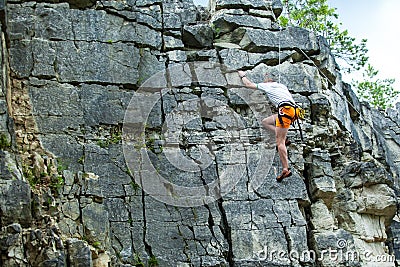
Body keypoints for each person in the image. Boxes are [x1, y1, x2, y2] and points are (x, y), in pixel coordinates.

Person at [237, 70, 297, 182]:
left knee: (280, 142)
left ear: (269, 79)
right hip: (292, 111)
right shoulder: (281, 86)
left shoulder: (268, 86)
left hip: (285, 111)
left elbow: (249, 85)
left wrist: (243, 76)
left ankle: (285, 168)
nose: (264, 79)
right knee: (265, 122)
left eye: (265, 77)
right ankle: (282, 136)